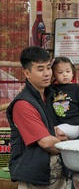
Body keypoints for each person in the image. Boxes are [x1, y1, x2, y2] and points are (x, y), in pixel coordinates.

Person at [6, 46, 68, 188]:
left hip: (55, 173)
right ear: (27, 73)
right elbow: (46, 143)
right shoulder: (23, 104)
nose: (47, 73)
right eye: (40, 69)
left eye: (48, 67)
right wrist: (70, 144)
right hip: (34, 177)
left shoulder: (51, 96)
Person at [51, 56, 79, 140]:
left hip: (74, 126)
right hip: (59, 124)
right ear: (54, 74)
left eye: (68, 71)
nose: (65, 74)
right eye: (60, 72)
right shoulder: (52, 88)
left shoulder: (77, 88)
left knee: (55, 131)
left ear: (72, 73)